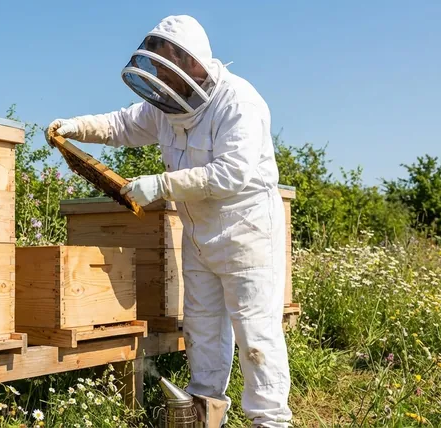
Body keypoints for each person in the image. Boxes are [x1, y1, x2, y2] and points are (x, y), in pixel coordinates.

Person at [46, 15, 292, 428]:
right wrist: (75, 127)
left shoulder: (239, 102)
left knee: (256, 335)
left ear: (189, 61)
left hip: (247, 231)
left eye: (165, 66)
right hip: (198, 233)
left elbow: (232, 173)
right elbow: (120, 124)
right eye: (156, 67)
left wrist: (161, 184)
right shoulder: (166, 107)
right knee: (203, 330)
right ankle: (204, 414)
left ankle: (270, 422)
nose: (160, 76)